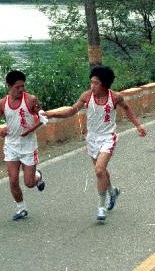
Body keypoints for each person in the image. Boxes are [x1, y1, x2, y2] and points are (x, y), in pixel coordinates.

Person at [43, 65, 146, 222]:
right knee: (102, 171)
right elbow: (71, 111)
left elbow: (127, 108)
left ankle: (101, 207)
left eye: (96, 83)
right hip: (92, 139)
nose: (92, 86)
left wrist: (138, 125)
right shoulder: (86, 96)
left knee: (99, 170)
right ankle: (112, 192)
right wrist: (51, 114)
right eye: (91, 82)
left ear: (104, 84)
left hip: (108, 138)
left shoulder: (115, 97)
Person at [0, 70, 48, 221]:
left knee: (29, 183)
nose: (21, 90)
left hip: (28, 146)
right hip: (11, 146)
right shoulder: (2, 103)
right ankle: (22, 208)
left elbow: (42, 118)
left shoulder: (31, 100)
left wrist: (31, 129)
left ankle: (38, 177)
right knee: (13, 180)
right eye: (17, 87)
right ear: (9, 86)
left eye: (23, 86)